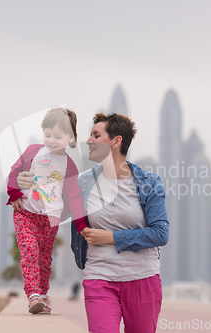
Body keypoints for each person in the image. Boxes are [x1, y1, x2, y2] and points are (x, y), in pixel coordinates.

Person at [72, 113, 169, 333]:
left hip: (142, 278)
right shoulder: (83, 183)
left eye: (96, 135)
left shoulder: (148, 183)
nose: (89, 141)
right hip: (100, 277)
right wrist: (20, 188)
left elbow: (160, 234)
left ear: (116, 141)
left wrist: (112, 238)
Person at [6, 106, 87, 314]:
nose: (51, 140)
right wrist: (14, 193)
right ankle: (33, 294)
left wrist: (80, 222)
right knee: (30, 250)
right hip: (25, 213)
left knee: (45, 258)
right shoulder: (33, 151)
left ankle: (42, 294)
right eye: (47, 134)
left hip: (50, 220)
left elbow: (74, 196)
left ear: (70, 138)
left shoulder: (70, 166)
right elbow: (14, 171)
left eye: (57, 136)